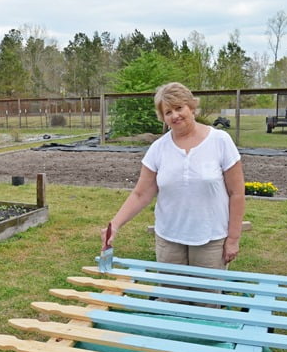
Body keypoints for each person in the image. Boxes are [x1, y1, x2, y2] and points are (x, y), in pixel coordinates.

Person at [101, 82, 245, 270]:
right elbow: (140, 194)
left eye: (179, 108)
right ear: (163, 117)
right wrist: (115, 225)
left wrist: (233, 238)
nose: (175, 115)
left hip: (210, 238)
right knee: (171, 296)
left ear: (191, 107)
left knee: (207, 298)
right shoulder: (158, 148)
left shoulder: (220, 141)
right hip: (169, 239)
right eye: (168, 112)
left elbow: (237, 193)